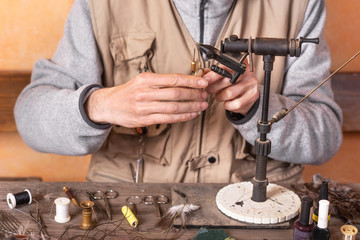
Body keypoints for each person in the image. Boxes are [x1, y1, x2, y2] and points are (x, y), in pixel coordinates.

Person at [14, 0, 342, 183]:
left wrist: (258, 109)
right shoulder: (102, 4)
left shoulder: (299, 5)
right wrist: (100, 105)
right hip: (131, 211)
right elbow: (30, 117)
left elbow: (325, 138)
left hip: (255, 213)